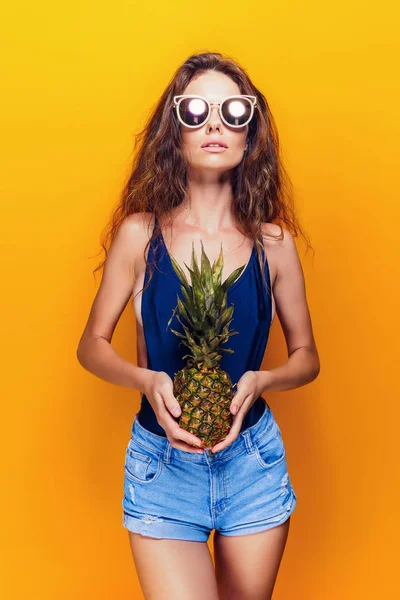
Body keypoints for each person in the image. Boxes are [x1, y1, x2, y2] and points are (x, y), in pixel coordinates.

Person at [77, 51, 320, 600]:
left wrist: (262, 379)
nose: (214, 123)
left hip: (252, 462)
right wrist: (146, 380)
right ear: (174, 131)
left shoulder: (274, 243)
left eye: (233, 110)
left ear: (249, 133)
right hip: (162, 466)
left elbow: (307, 355)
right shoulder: (140, 236)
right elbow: (91, 344)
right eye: (195, 110)